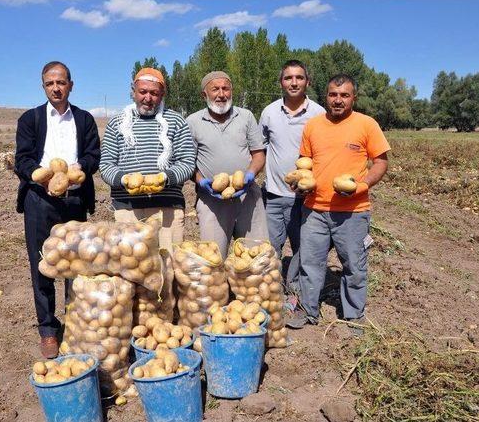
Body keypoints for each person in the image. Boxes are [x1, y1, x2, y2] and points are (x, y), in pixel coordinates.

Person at [290, 73, 390, 331]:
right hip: (314, 209)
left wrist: (363, 186)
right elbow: (305, 163)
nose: (338, 100)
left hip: (353, 211)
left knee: (354, 266)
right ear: (326, 97)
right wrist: (299, 183)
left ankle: (354, 315)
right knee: (310, 264)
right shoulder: (313, 125)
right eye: (333, 95)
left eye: (344, 95)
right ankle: (306, 311)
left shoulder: (367, 124)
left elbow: (381, 162)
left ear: (353, 97)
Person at [14, 61, 101, 358]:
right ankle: (49, 330)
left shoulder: (85, 119)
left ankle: (75, 323)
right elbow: (22, 159)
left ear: (71, 85)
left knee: (76, 265)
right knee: (42, 265)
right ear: (43, 86)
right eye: (50, 83)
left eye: (61, 82)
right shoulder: (30, 119)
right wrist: (43, 177)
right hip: (40, 201)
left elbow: (93, 156)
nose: (56, 88)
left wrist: (79, 169)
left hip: (75, 200)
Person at [99, 68, 196, 251]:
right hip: (127, 210)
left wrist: (165, 178)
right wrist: (123, 179)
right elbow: (106, 165)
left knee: (168, 267)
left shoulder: (176, 121)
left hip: (167, 210)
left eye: (154, 93)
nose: (148, 98)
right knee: (132, 269)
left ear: (162, 94)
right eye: (143, 92)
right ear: (133, 92)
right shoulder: (117, 122)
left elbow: (187, 162)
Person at [259, 60, 325, 299]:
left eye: (299, 77)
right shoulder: (269, 112)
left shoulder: (319, 114)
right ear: (281, 82)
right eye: (288, 78)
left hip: (305, 198)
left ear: (307, 81)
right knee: (270, 247)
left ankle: (295, 292)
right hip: (274, 195)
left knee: (302, 248)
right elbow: (260, 148)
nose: (294, 82)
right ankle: (272, 291)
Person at [187, 71, 268, 258]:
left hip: (247, 197)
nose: (221, 94)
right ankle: (221, 288)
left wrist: (250, 174)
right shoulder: (192, 121)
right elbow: (189, 162)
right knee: (213, 259)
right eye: (215, 89)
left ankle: (247, 287)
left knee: (255, 257)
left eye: (226, 88)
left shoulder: (246, 116)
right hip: (211, 200)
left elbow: (258, 154)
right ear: (204, 95)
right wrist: (200, 182)